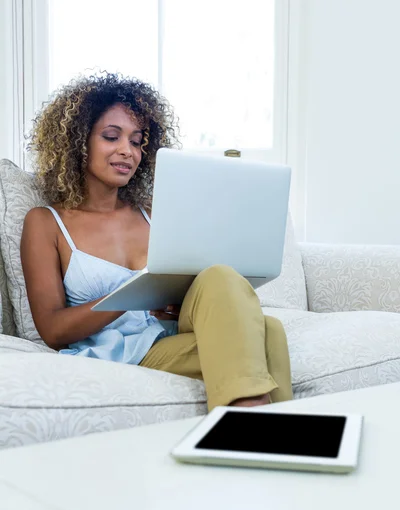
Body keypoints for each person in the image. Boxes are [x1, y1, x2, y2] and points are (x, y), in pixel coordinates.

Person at [21, 73, 292, 411]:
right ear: (78, 142)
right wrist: (132, 295)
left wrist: (174, 301)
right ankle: (257, 427)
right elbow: (52, 329)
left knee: (250, 307)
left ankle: (252, 433)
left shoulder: (153, 213)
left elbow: (184, 295)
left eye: (136, 142)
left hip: (168, 338)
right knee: (266, 335)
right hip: (117, 354)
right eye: (111, 137)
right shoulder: (46, 222)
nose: (127, 151)